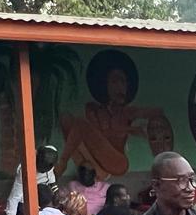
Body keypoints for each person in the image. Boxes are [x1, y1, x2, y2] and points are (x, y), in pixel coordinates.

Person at [55, 50, 162, 180]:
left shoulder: (127, 112)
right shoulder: (93, 109)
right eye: (115, 82)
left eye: (123, 82)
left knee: (80, 124)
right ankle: (94, 172)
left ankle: (62, 163)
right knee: (67, 119)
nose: (120, 87)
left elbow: (155, 111)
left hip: (118, 163)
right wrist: (130, 129)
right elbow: (95, 136)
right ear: (105, 85)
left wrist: (149, 128)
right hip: (95, 163)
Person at [5, 144, 58, 215]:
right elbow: (15, 197)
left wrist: (56, 193)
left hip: (42, 194)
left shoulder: (51, 154)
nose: (42, 172)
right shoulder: (24, 170)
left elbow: (51, 176)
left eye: (45, 170)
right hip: (25, 201)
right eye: (41, 169)